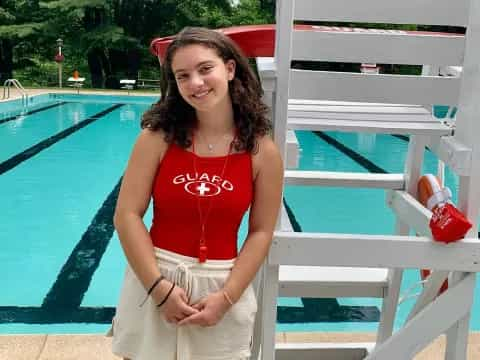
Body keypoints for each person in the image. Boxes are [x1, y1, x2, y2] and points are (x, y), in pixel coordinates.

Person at [110, 26, 283, 360]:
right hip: (154, 279)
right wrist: (158, 288)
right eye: (182, 75)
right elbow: (126, 215)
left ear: (230, 69)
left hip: (221, 288)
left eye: (205, 69)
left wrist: (227, 297)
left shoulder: (262, 151)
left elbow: (261, 231)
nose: (195, 84)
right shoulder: (157, 139)